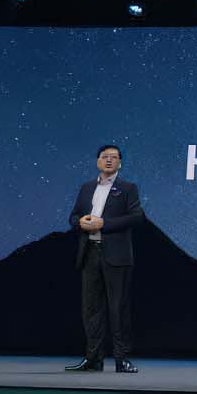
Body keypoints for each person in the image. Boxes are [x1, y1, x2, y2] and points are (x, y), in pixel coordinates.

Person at [66, 144, 145, 373]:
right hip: (89, 252)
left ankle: (122, 359)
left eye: (114, 157)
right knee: (91, 309)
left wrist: (104, 224)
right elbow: (74, 215)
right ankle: (93, 359)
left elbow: (137, 217)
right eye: (105, 156)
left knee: (118, 308)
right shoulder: (86, 188)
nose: (109, 160)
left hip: (116, 255)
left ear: (120, 163)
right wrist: (79, 222)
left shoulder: (128, 188)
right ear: (98, 161)